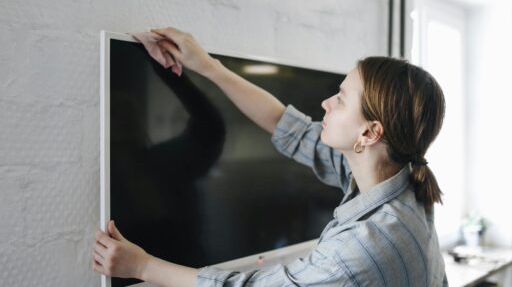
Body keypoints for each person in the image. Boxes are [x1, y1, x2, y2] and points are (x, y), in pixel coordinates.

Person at [92, 26, 448, 286]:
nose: (325, 103)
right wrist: (206, 65)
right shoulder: (397, 180)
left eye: (340, 99)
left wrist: (140, 267)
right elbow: (284, 124)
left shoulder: (360, 250)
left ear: (369, 133)